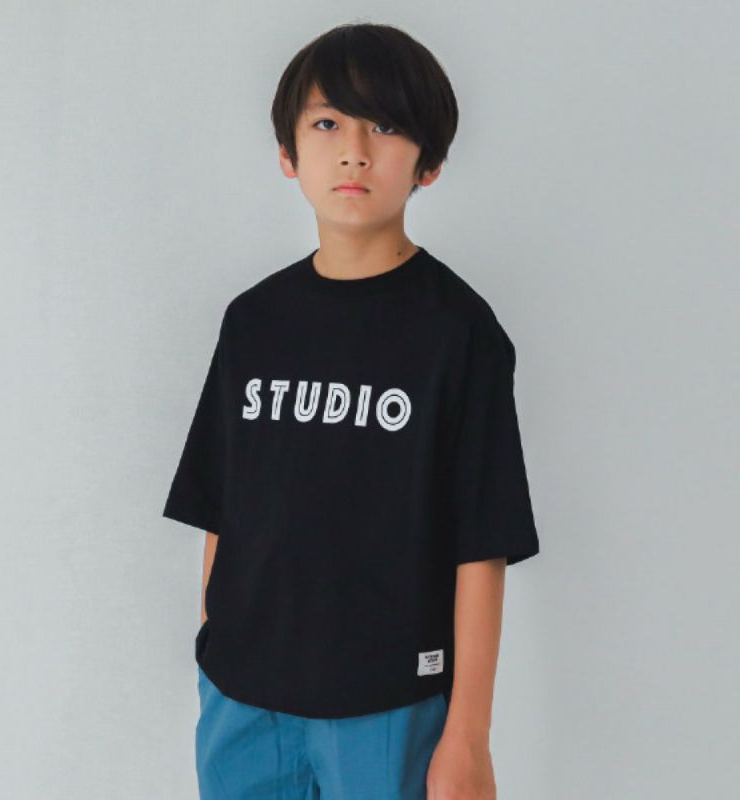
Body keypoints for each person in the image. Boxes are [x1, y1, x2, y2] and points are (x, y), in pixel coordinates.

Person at [162, 21, 540, 800]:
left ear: (429, 163)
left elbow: (482, 547)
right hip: (241, 698)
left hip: (387, 703)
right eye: (328, 123)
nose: (355, 151)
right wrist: (215, 643)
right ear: (288, 152)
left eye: (387, 126)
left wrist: (468, 737)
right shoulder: (253, 321)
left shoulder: (458, 332)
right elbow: (222, 507)